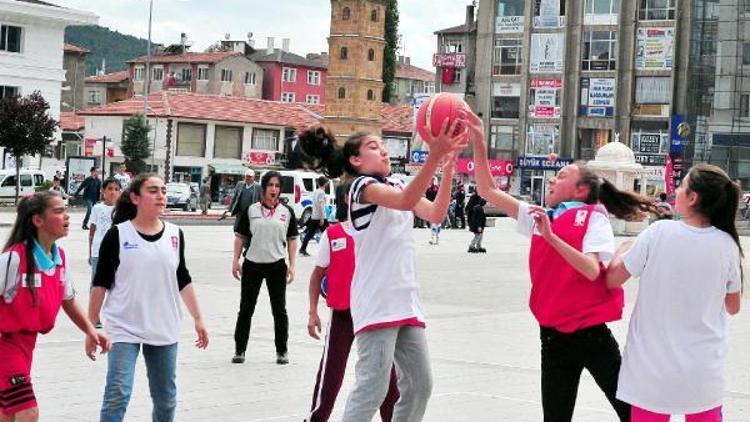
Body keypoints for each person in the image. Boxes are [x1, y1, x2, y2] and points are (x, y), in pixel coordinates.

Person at [466, 110, 652, 422]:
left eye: (562, 176)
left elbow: (592, 271)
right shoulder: (541, 216)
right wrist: (480, 142)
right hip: (552, 335)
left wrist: (551, 239)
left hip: (589, 333)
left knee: (630, 411)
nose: (553, 178)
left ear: (580, 191)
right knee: (555, 416)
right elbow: (488, 190)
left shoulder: (593, 218)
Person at [299, 122, 466, 422]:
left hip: (406, 301)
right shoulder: (360, 189)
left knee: (419, 386)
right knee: (372, 389)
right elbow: (404, 203)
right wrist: (433, 157)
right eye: (374, 147)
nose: (384, 150)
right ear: (356, 161)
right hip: (375, 304)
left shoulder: (399, 183)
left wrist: (448, 164)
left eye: (383, 145)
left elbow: (435, 213)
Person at [606, 164, 743, 421]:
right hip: (702, 372)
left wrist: (622, 249)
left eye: (682, 186)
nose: (676, 190)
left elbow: (613, 279)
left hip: (651, 372)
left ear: (693, 198)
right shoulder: (728, 246)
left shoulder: (657, 233)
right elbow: (733, 307)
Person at [89, 174, 209, 422]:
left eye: (163, 191)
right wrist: (91, 328)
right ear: (134, 198)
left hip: (163, 326)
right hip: (123, 326)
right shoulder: (118, 234)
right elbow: (100, 283)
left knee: (165, 398)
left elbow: (182, 277)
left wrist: (198, 318)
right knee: (118, 393)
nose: (161, 196)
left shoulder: (175, 234)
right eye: (153, 191)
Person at [0, 191, 109, 422]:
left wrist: (91, 330)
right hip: (5, 344)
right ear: (38, 220)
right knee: (28, 411)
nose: (67, 216)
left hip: (26, 345)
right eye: (59, 211)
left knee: (8, 413)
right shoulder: (14, 258)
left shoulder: (59, 258)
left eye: (66, 210)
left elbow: (67, 300)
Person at [305, 180, 399, 422]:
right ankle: (316, 419)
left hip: (372, 314)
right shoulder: (333, 233)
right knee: (330, 375)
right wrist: (312, 312)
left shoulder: (376, 234)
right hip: (342, 314)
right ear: (347, 199)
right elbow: (317, 275)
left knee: (385, 375)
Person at [231, 171, 299, 365]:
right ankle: (240, 350)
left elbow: (292, 239)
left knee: (279, 310)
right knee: (246, 309)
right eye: (271, 185)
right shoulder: (251, 210)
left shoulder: (286, 212)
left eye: (277, 186)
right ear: (264, 188)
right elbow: (240, 237)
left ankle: (282, 351)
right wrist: (235, 260)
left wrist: (292, 265)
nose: (274, 190)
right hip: (252, 264)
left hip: (276, 265)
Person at [88, 178, 121, 285]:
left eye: (116, 189)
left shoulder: (121, 209)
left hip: (116, 253)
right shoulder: (97, 208)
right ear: (103, 191)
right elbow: (92, 232)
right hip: (98, 251)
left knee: (115, 284)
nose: (113, 192)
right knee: (96, 283)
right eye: (110, 189)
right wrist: (90, 252)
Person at [299, 176, 330, 257]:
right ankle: (331, 250)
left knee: (310, 234)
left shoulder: (316, 191)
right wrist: (322, 218)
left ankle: (302, 249)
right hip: (320, 217)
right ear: (325, 184)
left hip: (314, 216)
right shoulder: (322, 193)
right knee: (329, 233)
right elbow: (321, 205)